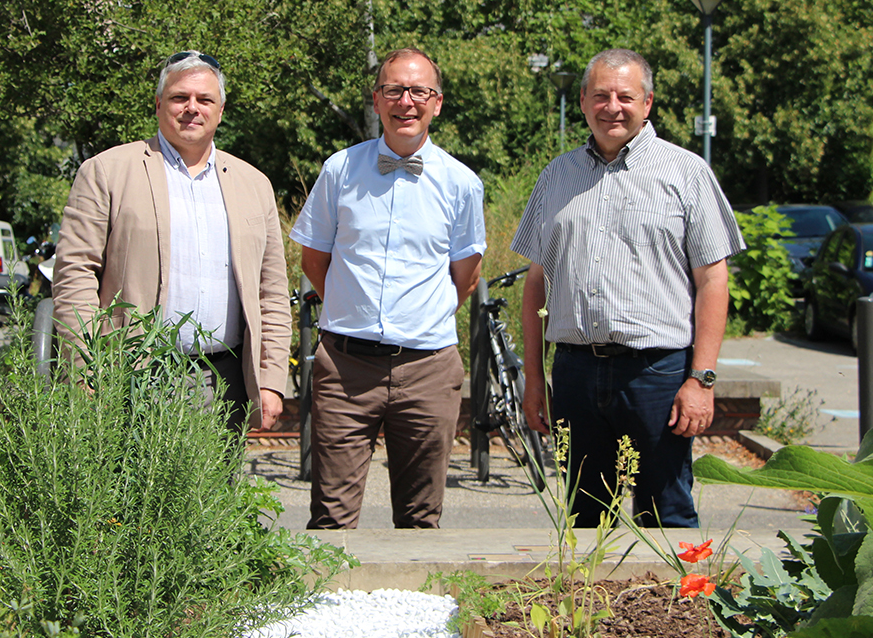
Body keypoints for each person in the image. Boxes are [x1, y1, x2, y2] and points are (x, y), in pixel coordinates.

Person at [512, 48, 744, 528]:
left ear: (648, 102)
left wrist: (701, 380)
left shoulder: (686, 172)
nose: (612, 106)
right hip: (575, 373)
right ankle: (592, 606)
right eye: (601, 95)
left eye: (625, 96)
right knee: (584, 522)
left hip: (658, 374)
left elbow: (713, 280)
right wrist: (535, 378)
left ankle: (679, 607)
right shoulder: (557, 176)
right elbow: (537, 284)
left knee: (668, 517)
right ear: (582, 102)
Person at [291, 47, 486, 529]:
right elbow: (315, 259)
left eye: (419, 91)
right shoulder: (339, 170)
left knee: (421, 519)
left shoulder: (462, 184)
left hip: (428, 369)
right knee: (331, 519)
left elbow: (466, 275)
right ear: (377, 100)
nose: (407, 101)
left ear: (437, 103)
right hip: (346, 368)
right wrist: (348, 302)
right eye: (395, 90)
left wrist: (420, 315)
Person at [52, 50, 289, 434]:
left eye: (204, 99)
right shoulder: (107, 172)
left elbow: (272, 290)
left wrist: (271, 379)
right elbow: (74, 275)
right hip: (128, 376)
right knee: (126, 492)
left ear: (221, 109)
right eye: (180, 98)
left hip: (224, 381)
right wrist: (85, 369)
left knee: (212, 494)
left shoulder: (254, 184)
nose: (192, 108)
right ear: (159, 104)